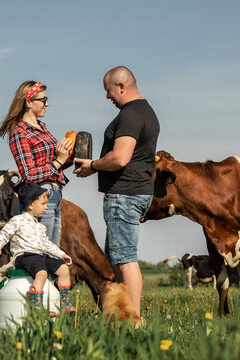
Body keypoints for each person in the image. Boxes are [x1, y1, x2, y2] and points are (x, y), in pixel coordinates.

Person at [74, 66, 159, 320]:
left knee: (125, 258)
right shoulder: (145, 111)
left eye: (108, 90)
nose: (107, 96)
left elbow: (121, 157)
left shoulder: (131, 114)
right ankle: (124, 314)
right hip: (135, 191)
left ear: (121, 86)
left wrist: (93, 165)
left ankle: (133, 319)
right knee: (117, 255)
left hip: (125, 193)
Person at [0, 80, 72, 246]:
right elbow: (29, 174)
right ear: (29, 102)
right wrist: (58, 162)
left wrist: (67, 157)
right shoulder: (20, 133)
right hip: (38, 195)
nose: (47, 104)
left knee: (51, 251)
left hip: (54, 194)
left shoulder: (42, 128)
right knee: (40, 251)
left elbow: (52, 164)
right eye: (43, 100)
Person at [0, 182, 76, 312]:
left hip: (41, 256)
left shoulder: (40, 226)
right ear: (31, 205)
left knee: (64, 269)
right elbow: (4, 233)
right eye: (43, 204)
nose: (46, 207)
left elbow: (47, 245)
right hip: (25, 256)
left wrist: (62, 255)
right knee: (41, 273)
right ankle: (36, 305)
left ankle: (64, 302)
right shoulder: (17, 220)